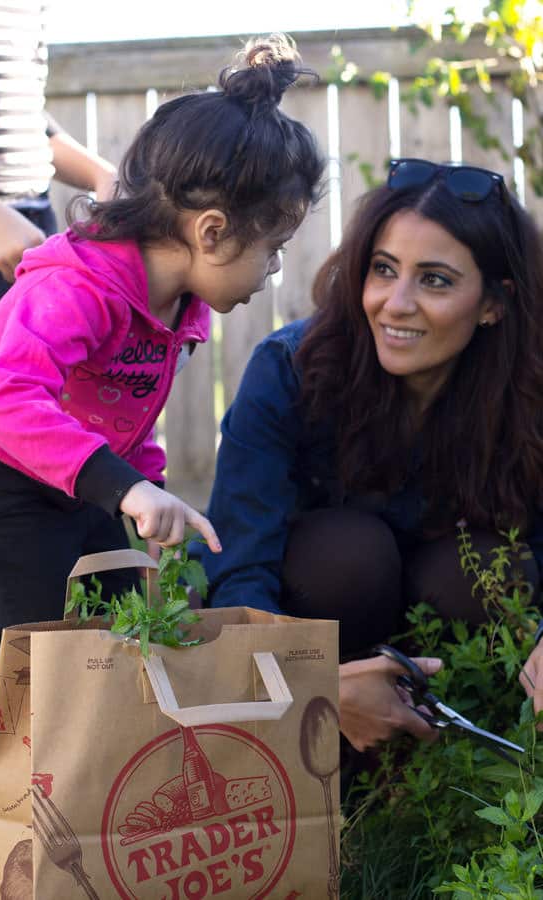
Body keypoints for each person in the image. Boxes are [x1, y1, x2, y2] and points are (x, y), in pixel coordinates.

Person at [0, 33, 325, 669]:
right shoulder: (78, 287)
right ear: (212, 232)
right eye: (273, 247)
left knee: (122, 638)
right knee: (48, 662)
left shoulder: (181, 308)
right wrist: (126, 490)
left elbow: (128, 408)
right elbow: (7, 400)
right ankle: (34, 760)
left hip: (84, 474)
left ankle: (117, 756)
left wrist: (149, 494)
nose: (276, 268)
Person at [199, 157, 543, 751]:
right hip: (315, 665)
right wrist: (316, 691)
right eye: (384, 270)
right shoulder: (289, 371)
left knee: (489, 568)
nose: (396, 304)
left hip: (459, 653)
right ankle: (336, 758)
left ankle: (456, 756)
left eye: (435, 280)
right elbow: (239, 573)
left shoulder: (529, 392)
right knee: (345, 555)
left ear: (494, 303)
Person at [0, 0, 117, 698]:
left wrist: (102, 175)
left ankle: (6, 671)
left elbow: (17, 116)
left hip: (22, 220)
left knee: (36, 442)